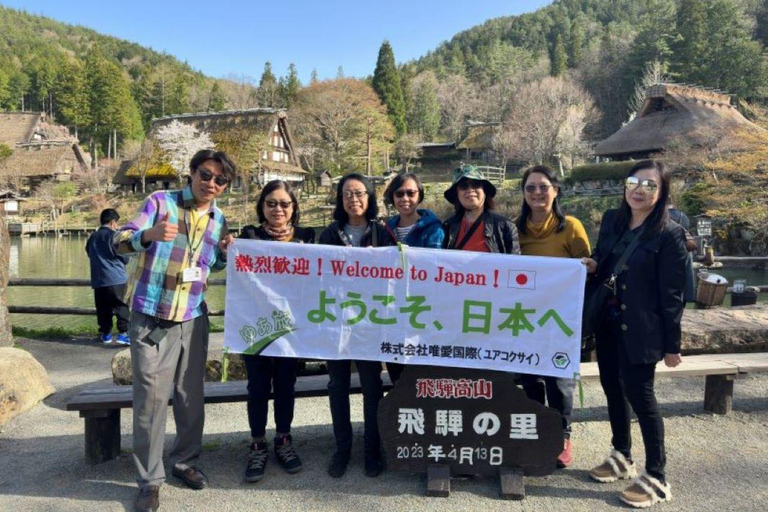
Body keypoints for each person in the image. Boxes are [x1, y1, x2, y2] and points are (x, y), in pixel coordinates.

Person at [113, 149, 236, 512]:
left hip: (193, 317)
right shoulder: (160, 201)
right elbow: (119, 241)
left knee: (189, 396)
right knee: (150, 400)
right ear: (192, 173)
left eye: (219, 180)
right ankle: (150, 481)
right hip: (151, 314)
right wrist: (147, 235)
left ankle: (185, 461)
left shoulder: (218, 218)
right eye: (205, 174)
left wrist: (226, 254)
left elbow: (210, 266)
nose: (210, 183)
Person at [582, 160, 686, 508]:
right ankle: (621, 454)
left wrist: (673, 345)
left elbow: (672, 295)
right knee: (613, 388)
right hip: (608, 322)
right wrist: (595, 262)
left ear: (662, 192)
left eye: (650, 185)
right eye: (634, 182)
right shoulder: (614, 218)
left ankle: (657, 476)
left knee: (642, 398)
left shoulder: (668, 234)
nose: (639, 189)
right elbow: (604, 255)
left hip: (642, 329)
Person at [318, 172, 395, 479]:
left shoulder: (381, 232)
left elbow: (396, 273)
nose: (354, 199)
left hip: (370, 322)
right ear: (340, 199)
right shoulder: (329, 233)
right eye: (348, 194)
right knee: (337, 387)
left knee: (372, 386)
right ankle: (343, 449)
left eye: (360, 193)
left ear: (370, 197)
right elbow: (316, 274)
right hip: (335, 321)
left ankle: (372, 451)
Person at [238, 180, 314, 483]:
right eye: (271, 203)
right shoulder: (248, 237)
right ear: (262, 207)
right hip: (256, 326)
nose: (278, 209)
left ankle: (283, 440)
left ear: (293, 207)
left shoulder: (308, 238)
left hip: (292, 327)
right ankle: (257, 443)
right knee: (257, 387)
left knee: (285, 385)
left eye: (284, 203)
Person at [515, 165, 590, 469]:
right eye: (530, 187)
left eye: (543, 187)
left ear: (555, 191)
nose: (537, 193)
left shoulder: (570, 227)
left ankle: (562, 435)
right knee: (530, 377)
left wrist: (586, 264)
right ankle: (536, 431)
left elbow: (587, 264)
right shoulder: (514, 229)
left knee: (559, 380)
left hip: (559, 319)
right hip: (522, 317)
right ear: (523, 193)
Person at [383, 172, 444, 384]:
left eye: (411, 193)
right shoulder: (386, 228)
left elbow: (434, 270)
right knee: (397, 374)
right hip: (392, 312)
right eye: (399, 193)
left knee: (422, 375)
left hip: (421, 311)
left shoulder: (434, 229)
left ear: (420, 195)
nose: (405, 198)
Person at [442, 164, 519, 255]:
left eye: (476, 184)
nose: (470, 190)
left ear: (484, 191)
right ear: (456, 194)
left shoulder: (505, 227)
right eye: (463, 186)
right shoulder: (447, 228)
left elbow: (514, 265)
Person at [85, 208, 130, 345]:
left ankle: (106, 334)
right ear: (112, 222)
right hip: (117, 278)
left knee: (103, 307)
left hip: (99, 279)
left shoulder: (92, 237)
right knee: (121, 306)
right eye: (117, 222)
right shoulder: (115, 236)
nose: (117, 225)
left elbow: (88, 252)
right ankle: (123, 334)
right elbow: (125, 258)